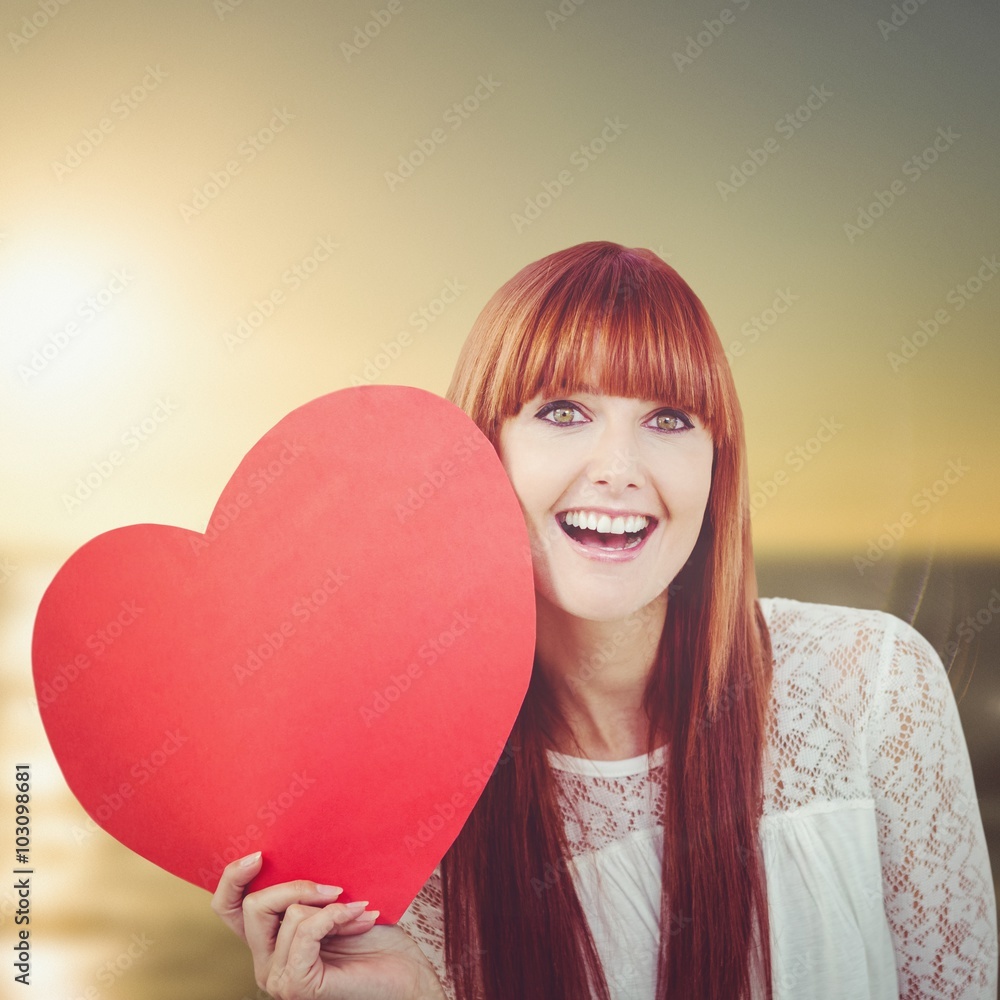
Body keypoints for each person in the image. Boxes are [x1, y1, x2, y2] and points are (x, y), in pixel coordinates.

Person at [211, 242, 998, 999]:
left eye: (668, 420)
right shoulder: (414, 813)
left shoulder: (873, 684)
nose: (618, 469)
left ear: (718, 464)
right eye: (562, 411)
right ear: (482, 449)